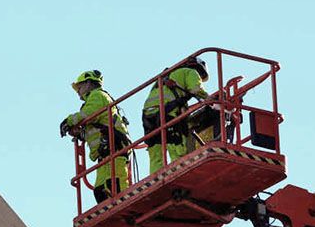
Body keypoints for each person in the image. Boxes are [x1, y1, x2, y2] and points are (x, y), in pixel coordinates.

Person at [60, 70, 132, 203]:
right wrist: (80, 134)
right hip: (105, 153)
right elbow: (95, 128)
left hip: (115, 148)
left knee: (115, 185)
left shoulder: (97, 96)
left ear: (88, 83)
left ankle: (125, 205)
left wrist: (68, 121)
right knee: (100, 190)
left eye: (79, 87)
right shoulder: (94, 99)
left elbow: (87, 114)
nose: (78, 92)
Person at [141, 56, 211, 175]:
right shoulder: (190, 72)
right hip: (168, 113)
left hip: (149, 115)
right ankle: (181, 174)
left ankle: (156, 178)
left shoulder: (164, 77)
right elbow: (196, 90)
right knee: (177, 148)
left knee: (156, 153)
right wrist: (211, 100)